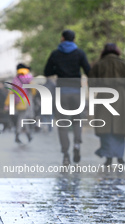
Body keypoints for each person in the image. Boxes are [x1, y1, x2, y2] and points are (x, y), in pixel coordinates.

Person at [44, 29, 90, 165]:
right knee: (77, 121)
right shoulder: (79, 53)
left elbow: (47, 71)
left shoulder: (55, 54)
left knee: (63, 124)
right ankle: (77, 144)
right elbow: (88, 70)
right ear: (74, 39)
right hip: (76, 91)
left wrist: (57, 69)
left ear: (62, 38)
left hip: (61, 92)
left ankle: (65, 154)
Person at [88, 43, 125, 166]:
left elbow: (92, 82)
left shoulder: (99, 64)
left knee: (105, 127)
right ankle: (120, 156)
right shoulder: (123, 63)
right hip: (121, 97)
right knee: (121, 126)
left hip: (104, 96)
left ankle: (108, 156)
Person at [4, 63, 34, 143]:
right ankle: (18, 134)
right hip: (24, 100)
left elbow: (12, 91)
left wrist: (8, 103)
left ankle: (28, 135)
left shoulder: (15, 78)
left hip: (17, 101)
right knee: (22, 118)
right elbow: (34, 88)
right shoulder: (28, 77)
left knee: (23, 117)